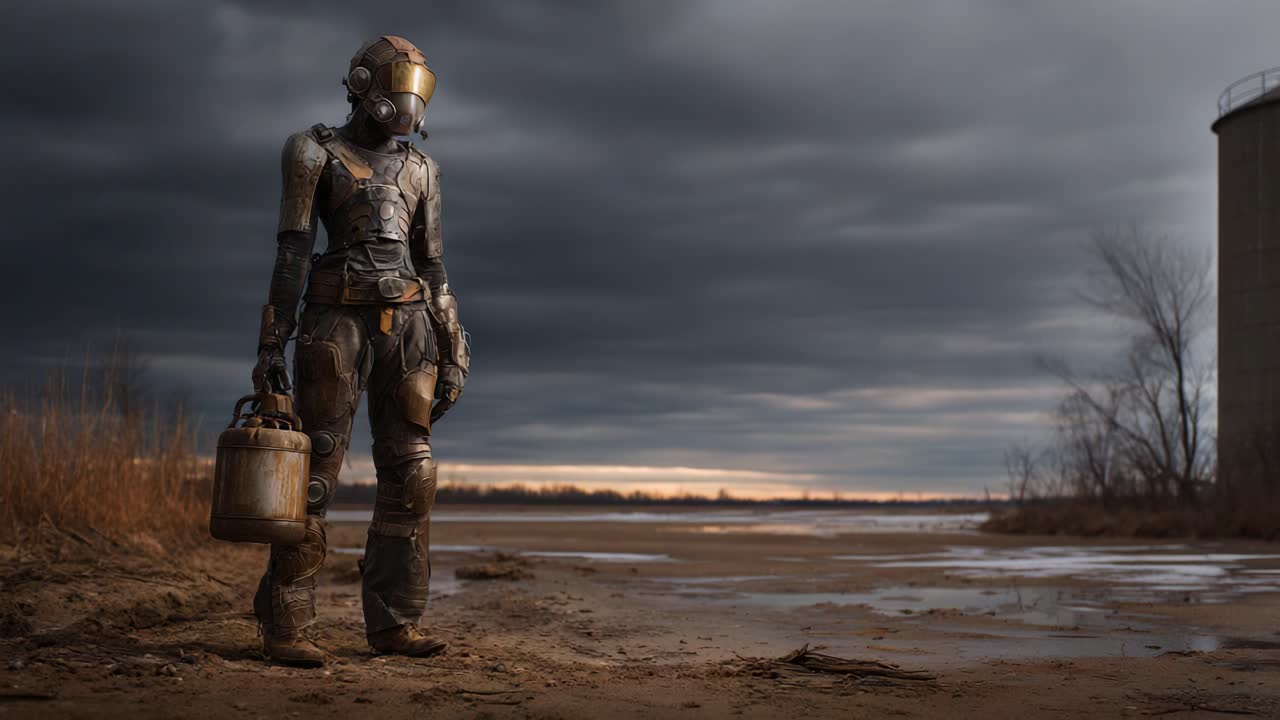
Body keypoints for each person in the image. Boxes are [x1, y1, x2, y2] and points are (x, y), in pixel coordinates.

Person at [248, 35, 469, 667]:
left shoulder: (422, 169)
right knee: (314, 472)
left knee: (413, 476)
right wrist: (272, 343)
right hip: (333, 321)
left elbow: (432, 266)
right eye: (399, 79)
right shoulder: (312, 151)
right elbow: (292, 250)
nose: (407, 97)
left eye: (417, 83)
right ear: (364, 82)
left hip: (411, 326)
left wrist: (454, 345)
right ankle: (286, 624)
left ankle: (395, 623)